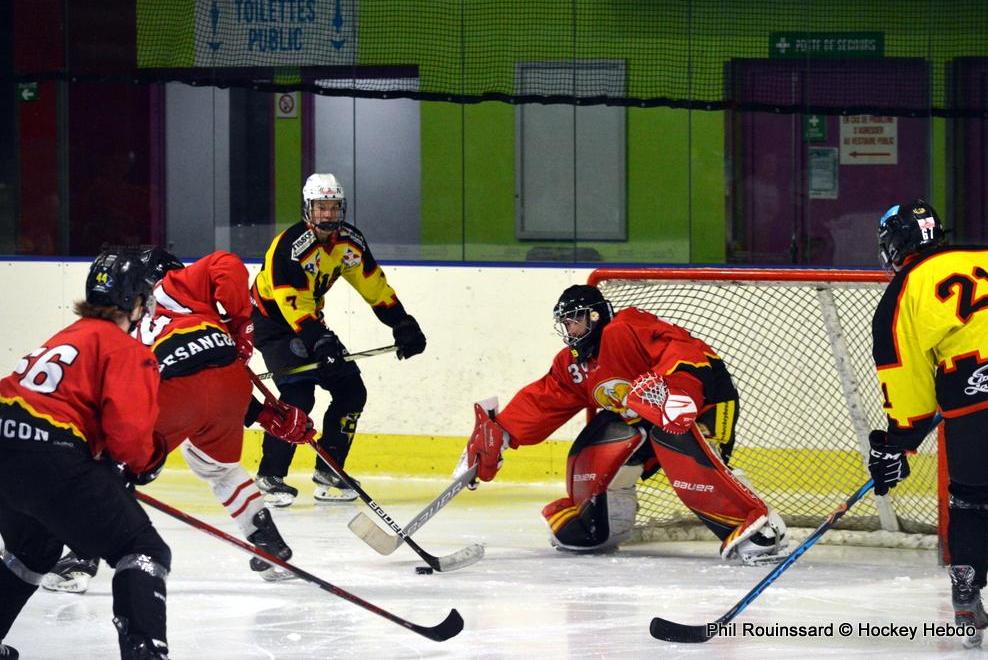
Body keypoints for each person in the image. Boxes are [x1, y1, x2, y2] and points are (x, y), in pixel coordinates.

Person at [41, 249, 315, 593]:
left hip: (172, 385)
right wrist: (238, 325)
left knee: (110, 466)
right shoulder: (186, 289)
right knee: (220, 468)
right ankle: (269, 544)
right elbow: (227, 265)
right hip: (229, 380)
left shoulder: (144, 302)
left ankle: (81, 559)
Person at [458, 284, 787, 563]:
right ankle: (599, 525)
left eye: (576, 320)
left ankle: (757, 527)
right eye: (566, 323)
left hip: (704, 402)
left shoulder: (626, 327)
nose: (570, 329)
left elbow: (678, 348)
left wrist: (681, 392)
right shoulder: (574, 364)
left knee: (676, 440)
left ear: (596, 315)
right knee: (594, 448)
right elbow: (547, 397)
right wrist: (501, 433)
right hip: (645, 418)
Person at [0, 251, 171, 659]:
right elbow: (131, 439)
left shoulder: (69, 335)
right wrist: (147, 462)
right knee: (143, 550)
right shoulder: (125, 349)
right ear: (134, 301)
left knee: (32, 550)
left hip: (5, 446)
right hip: (50, 456)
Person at [250, 173, 426, 506]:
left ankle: (329, 471)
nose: (328, 215)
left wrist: (401, 322)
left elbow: (373, 285)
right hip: (274, 323)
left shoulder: (349, 241)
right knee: (298, 395)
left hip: (310, 322)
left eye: (333, 207)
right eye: (321, 208)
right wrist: (321, 341)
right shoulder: (289, 248)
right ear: (307, 209)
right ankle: (269, 476)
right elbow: (293, 305)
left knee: (351, 390)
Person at [867, 199, 988, 648]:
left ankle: (966, 592)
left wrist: (897, 441)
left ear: (893, 245)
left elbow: (906, 382)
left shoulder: (905, 289)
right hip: (978, 384)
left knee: (970, 499)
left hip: (976, 396)